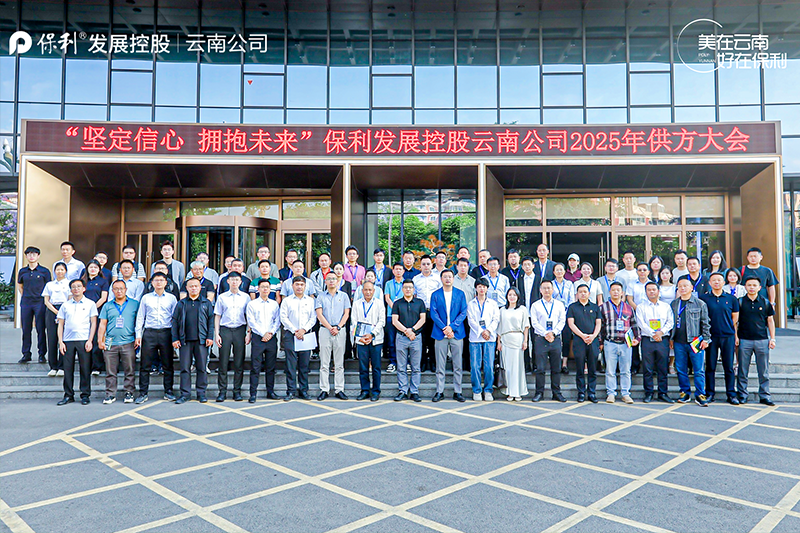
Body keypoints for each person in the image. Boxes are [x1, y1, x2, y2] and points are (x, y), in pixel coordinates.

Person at [134, 272, 178, 404]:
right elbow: (140, 317)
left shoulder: (171, 298)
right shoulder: (146, 298)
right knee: (145, 364)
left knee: (168, 364)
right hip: (150, 333)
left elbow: (175, 318)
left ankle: (168, 391)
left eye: (161, 280)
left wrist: (175, 336)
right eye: (156, 280)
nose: (159, 283)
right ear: (152, 283)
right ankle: (143, 393)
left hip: (166, 332)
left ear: (166, 283)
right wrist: (138, 335)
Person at [172, 278, 214, 404]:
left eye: (196, 286)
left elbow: (211, 321)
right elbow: (174, 321)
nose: (194, 288)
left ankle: (201, 393)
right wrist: (175, 338)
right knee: (185, 368)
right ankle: (185, 394)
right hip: (185, 341)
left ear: (200, 288)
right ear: (187, 288)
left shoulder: (206, 303)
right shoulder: (181, 303)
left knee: (201, 368)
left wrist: (210, 337)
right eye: (191, 286)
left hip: (201, 340)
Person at [670, 277, 711, 406]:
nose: (682, 288)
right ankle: (685, 392)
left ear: (692, 288)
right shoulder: (674, 304)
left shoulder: (700, 304)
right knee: (681, 369)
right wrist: (671, 338)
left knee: (698, 370)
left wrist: (706, 339)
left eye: (685, 286)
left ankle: (700, 394)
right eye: (680, 286)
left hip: (695, 341)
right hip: (678, 342)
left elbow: (705, 323)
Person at [56, 279, 97, 405]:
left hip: (84, 339)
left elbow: (93, 323)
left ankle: (85, 395)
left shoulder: (90, 304)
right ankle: (68, 395)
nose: (76, 289)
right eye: (73, 287)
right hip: (68, 340)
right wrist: (61, 342)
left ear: (84, 288)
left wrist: (90, 340)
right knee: (68, 369)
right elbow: (60, 324)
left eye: (79, 286)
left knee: (85, 368)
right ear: (71, 290)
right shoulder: (65, 305)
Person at [97, 280, 139, 404]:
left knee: (129, 370)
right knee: (110, 371)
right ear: (112, 291)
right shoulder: (107, 306)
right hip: (111, 342)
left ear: (126, 290)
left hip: (128, 341)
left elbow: (139, 322)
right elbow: (102, 324)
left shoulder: (134, 304)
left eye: (121, 288)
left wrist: (138, 337)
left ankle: (129, 392)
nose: (119, 291)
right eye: (116, 289)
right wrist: (100, 340)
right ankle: (110, 394)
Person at [737, 276, 777, 406]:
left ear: (759, 288)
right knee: (742, 370)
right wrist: (736, 337)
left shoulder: (765, 302)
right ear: (745, 287)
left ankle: (765, 395)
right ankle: (742, 394)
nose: (752, 287)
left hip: (762, 340)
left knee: (763, 370)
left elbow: (770, 321)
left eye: (754, 285)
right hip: (744, 340)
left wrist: (772, 338)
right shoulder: (740, 302)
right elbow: (735, 321)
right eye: (749, 285)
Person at [700, 272, 740, 404]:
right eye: (714, 280)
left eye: (719, 280)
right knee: (710, 366)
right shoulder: (704, 298)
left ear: (723, 283)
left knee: (728, 367)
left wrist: (730, 330)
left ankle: (731, 394)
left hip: (727, 336)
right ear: (709, 283)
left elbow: (735, 318)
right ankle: (710, 393)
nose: (716, 282)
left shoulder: (731, 298)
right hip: (710, 337)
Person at [429, 269, 468, 403]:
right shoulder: (435, 294)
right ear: (441, 279)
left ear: (453, 278)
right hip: (440, 333)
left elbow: (463, 312)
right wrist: (445, 328)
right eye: (445, 277)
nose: (447, 279)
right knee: (440, 365)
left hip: (456, 333)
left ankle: (458, 391)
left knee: (458, 364)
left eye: (450, 277)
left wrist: (452, 327)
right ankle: (440, 391)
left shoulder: (460, 294)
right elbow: (433, 314)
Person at [600, 281, 639, 404]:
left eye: (618, 290)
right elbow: (601, 326)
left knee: (626, 370)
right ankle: (611, 393)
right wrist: (601, 342)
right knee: (610, 370)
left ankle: (625, 393)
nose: (616, 292)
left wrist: (637, 338)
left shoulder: (628, 308)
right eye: (613, 290)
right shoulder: (603, 307)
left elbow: (634, 324)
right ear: (609, 292)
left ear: (622, 293)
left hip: (625, 344)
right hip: (610, 342)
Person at [213, 271, 250, 402]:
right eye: (232, 279)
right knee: (223, 362)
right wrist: (217, 334)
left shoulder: (246, 297)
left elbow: (248, 316)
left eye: (237, 280)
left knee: (239, 363)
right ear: (228, 281)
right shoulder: (222, 297)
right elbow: (217, 315)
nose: (234, 282)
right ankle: (222, 391)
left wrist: (248, 332)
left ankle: (237, 391)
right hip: (225, 330)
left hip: (240, 329)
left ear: (241, 282)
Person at [636, 281, 674, 404]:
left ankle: (663, 393)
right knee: (648, 368)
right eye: (649, 290)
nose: (651, 292)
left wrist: (661, 332)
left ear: (658, 291)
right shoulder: (641, 307)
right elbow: (641, 323)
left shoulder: (665, 306)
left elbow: (670, 322)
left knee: (663, 367)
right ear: (645, 292)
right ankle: (649, 393)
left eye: (654, 289)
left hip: (662, 339)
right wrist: (653, 333)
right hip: (647, 339)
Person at [529, 279, 567, 402]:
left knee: (556, 368)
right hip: (541, 339)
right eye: (544, 288)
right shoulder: (535, 305)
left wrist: (553, 332)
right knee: (540, 368)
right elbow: (534, 322)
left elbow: (562, 321)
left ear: (553, 289)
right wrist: (546, 333)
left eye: (549, 288)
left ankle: (556, 393)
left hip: (555, 338)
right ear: (540, 290)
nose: (547, 290)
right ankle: (539, 393)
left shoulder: (559, 305)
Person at [280, 276, 317, 401]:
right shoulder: (287, 301)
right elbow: (283, 317)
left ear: (305, 286)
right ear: (292, 286)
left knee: (304, 365)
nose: (299, 287)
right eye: (297, 284)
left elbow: (313, 318)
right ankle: (291, 391)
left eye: (302, 284)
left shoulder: (311, 301)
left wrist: (303, 330)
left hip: (305, 335)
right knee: (290, 365)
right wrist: (294, 330)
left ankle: (303, 390)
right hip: (290, 334)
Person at [315, 271, 351, 401]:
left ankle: (339, 389)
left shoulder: (344, 296)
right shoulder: (320, 296)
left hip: (340, 330)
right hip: (325, 330)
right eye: (329, 279)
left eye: (334, 279)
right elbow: (319, 314)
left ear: (337, 281)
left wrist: (338, 327)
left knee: (339, 363)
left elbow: (346, 314)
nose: (331, 281)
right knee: (324, 363)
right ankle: (324, 389)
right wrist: (330, 328)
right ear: (325, 281)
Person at [246, 278, 281, 403]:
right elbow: (251, 321)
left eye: (267, 287)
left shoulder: (274, 304)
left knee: (270, 367)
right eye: (262, 287)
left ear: (270, 289)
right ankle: (253, 393)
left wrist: (270, 333)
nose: (265, 289)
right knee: (255, 367)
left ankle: (270, 392)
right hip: (258, 337)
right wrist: (263, 333)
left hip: (271, 337)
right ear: (258, 289)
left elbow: (277, 320)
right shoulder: (252, 304)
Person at [392, 279, 426, 402]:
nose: (408, 289)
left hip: (416, 337)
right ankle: (403, 391)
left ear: (414, 289)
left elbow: (423, 319)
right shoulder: (397, 303)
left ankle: (414, 391)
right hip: (401, 337)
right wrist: (407, 331)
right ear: (402, 289)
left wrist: (412, 330)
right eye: (405, 287)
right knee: (401, 366)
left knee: (416, 367)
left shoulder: (420, 302)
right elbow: (394, 321)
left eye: (410, 287)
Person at [567, 284, 602, 403]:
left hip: (593, 341)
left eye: (585, 292)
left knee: (592, 369)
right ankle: (581, 393)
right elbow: (571, 324)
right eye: (580, 292)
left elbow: (598, 323)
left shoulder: (595, 307)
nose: (583, 294)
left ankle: (592, 393)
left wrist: (593, 336)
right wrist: (582, 336)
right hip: (579, 341)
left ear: (589, 294)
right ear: (577, 294)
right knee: (580, 369)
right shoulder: (572, 307)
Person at [467, 278, 500, 401]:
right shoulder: (471, 304)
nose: (482, 289)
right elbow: (471, 320)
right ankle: (476, 390)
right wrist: (481, 331)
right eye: (479, 286)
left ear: (487, 288)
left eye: (484, 287)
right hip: (475, 338)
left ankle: (488, 390)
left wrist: (488, 331)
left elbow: (496, 319)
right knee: (475, 366)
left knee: (489, 366)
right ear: (476, 288)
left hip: (489, 338)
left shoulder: (493, 303)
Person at [352, 280, 385, 401]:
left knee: (376, 367)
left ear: (374, 291)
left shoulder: (379, 303)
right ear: (362, 291)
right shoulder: (356, 304)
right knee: (363, 367)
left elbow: (382, 321)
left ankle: (376, 391)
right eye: (365, 290)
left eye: (370, 290)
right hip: (361, 340)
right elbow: (354, 322)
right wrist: (360, 337)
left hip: (375, 339)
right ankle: (365, 390)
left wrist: (371, 334)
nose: (368, 292)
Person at [17, 246, 50, 364]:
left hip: (40, 302)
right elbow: (20, 285)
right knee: (26, 329)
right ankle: (26, 354)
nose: (31, 256)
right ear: (26, 256)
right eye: (29, 254)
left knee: (40, 328)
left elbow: (48, 287)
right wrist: (25, 295)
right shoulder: (22, 271)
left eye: (34, 254)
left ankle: (42, 354)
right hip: (26, 302)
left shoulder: (44, 271)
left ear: (38, 256)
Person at [497, 287, 529, 401]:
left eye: (514, 295)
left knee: (517, 367)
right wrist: (498, 342)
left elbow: (526, 326)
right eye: (510, 295)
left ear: (518, 296)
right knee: (507, 367)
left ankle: (518, 392)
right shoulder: (502, 310)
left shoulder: (522, 309)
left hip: (518, 339)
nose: (512, 297)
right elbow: (499, 327)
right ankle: (509, 392)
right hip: (505, 339)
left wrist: (525, 341)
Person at [413, 255, 442, 373]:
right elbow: (414, 296)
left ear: (432, 265)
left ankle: (433, 363)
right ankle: (423, 362)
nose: (426, 266)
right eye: (423, 264)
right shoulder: (416, 279)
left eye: (428, 264)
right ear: (420, 265)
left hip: (434, 312)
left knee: (433, 338)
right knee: (422, 339)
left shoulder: (437, 278)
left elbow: (440, 295)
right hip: (420, 312)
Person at [42, 262, 71, 377]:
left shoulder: (69, 283)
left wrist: (62, 312)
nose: (59, 272)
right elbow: (46, 301)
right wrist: (56, 312)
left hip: (65, 309)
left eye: (62, 269)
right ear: (54, 271)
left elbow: (70, 299)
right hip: (52, 310)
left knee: (63, 338)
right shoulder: (49, 284)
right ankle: (53, 366)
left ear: (66, 271)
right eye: (57, 269)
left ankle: (62, 366)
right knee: (52, 338)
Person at [82, 260, 109, 376]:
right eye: (91, 267)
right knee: (85, 338)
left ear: (99, 269)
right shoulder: (83, 281)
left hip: (97, 312)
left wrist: (92, 308)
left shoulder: (103, 281)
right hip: (83, 313)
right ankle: (86, 366)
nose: (93, 269)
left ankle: (97, 366)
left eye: (95, 267)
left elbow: (103, 298)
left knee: (96, 339)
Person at [625, 262, 650, 375]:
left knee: (647, 340)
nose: (642, 272)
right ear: (637, 272)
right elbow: (629, 299)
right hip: (634, 314)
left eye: (644, 270)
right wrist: (638, 309)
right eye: (640, 270)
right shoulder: (632, 284)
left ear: (648, 271)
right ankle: (635, 366)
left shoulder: (652, 284)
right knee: (634, 339)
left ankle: (648, 366)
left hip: (649, 315)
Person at [551, 263, 575, 375]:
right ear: (553, 272)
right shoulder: (551, 284)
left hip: (566, 313)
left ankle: (564, 363)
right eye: (557, 270)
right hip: (554, 314)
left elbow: (571, 299)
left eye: (561, 270)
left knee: (566, 338)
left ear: (565, 271)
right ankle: (555, 363)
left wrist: (567, 312)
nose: (559, 272)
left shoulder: (569, 284)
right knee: (555, 338)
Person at [384, 262, 405, 374]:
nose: (398, 271)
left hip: (404, 316)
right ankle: (393, 362)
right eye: (396, 269)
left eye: (400, 269)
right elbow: (387, 298)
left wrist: (400, 310)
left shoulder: (406, 283)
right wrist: (395, 309)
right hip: (390, 314)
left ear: (403, 271)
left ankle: (404, 362)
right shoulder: (388, 283)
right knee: (391, 340)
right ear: (393, 271)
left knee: (404, 340)